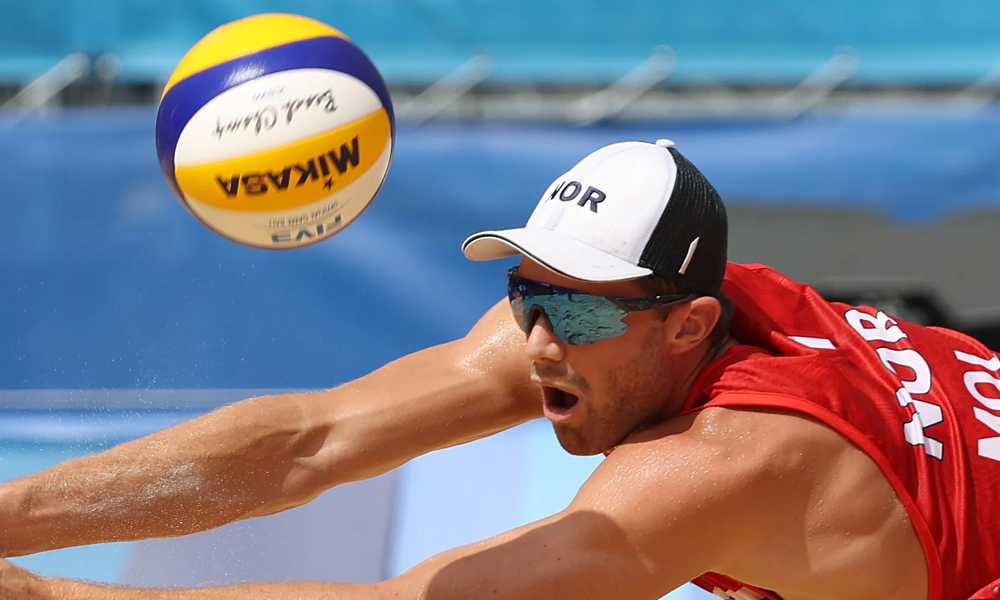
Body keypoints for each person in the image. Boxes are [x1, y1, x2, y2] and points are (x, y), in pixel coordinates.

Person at [1, 139, 998, 600]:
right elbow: (312, 443)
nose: (535, 340)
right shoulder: (634, 320)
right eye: (526, 292)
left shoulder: (716, 463)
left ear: (690, 325)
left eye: (568, 307)